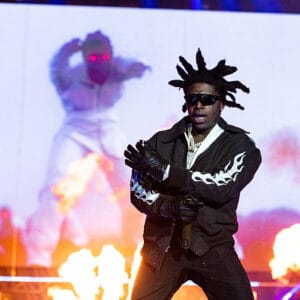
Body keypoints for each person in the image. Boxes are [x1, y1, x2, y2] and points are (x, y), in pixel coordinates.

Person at [124, 48, 262, 300]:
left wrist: (165, 171)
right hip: (162, 249)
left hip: (211, 246)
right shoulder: (160, 142)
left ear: (221, 104)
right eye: (192, 99)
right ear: (185, 102)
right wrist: (169, 207)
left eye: (207, 100)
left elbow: (221, 187)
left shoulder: (241, 146)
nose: (199, 105)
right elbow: (138, 191)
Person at [22, 30, 150, 267]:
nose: (98, 64)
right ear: (84, 58)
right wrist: (64, 53)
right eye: (92, 59)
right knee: (56, 188)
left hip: (109, 134)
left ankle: (143, 253)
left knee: (136, 191)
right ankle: (38, 258)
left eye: (103, 59)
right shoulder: (70, 76)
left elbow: (138, 65)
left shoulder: (117, 70)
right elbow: (55, 70)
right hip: (76, 132)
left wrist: (132, 67)